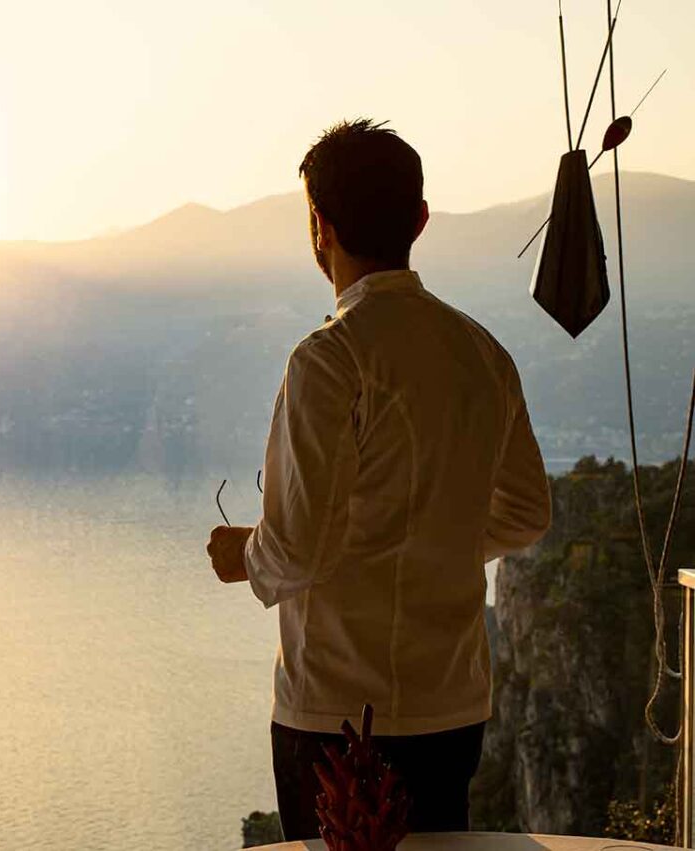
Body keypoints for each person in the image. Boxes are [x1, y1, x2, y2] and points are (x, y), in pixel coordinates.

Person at [205, 119, 552, 839]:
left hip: (333, 712)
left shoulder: (329, 360)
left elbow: (299, 548)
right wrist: (431, 532)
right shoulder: (483, 353)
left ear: (319, 227)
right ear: (420, 219)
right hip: (452, 704)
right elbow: (525, 513)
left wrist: (244, 555)